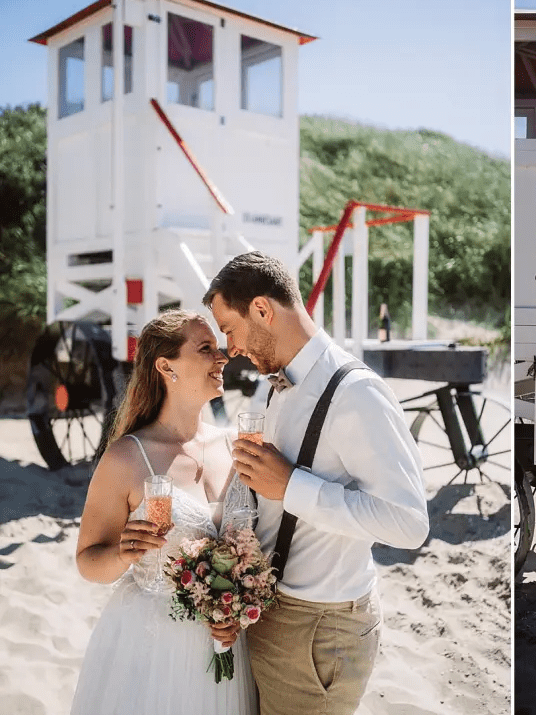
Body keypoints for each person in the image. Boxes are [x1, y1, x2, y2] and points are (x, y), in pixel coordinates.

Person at [203, 251, 429, 715]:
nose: (230, 348)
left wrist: (292, 487)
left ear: (262, 310)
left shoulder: (356, 394)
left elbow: (409, 524)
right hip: (268, 613)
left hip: (320, 630)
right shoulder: (272, 384)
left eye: (230, 328)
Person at [72, 310, 258, 714]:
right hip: (152, 647)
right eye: (206, 348)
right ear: (165, 365)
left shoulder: (234, 446)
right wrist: (123, 553)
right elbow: (88, 561)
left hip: (225, 644)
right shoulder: (126, 457)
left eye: (219, 347)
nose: (222, 357)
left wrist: (236, 609)